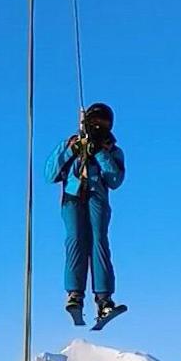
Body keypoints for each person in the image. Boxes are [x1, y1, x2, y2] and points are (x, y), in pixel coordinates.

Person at [45, 102, 126, 322]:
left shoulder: (112, 149)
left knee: (98, 242)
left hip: (96, 197)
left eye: (104, 122)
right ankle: (75, 294)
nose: (99, 126)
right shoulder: (71, 144)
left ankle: (103, 299)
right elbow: (49, 173)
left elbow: (115, 179)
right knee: (76, 240)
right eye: (95, 121)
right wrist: (72, 150)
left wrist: (100, 153)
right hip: (73, 197)